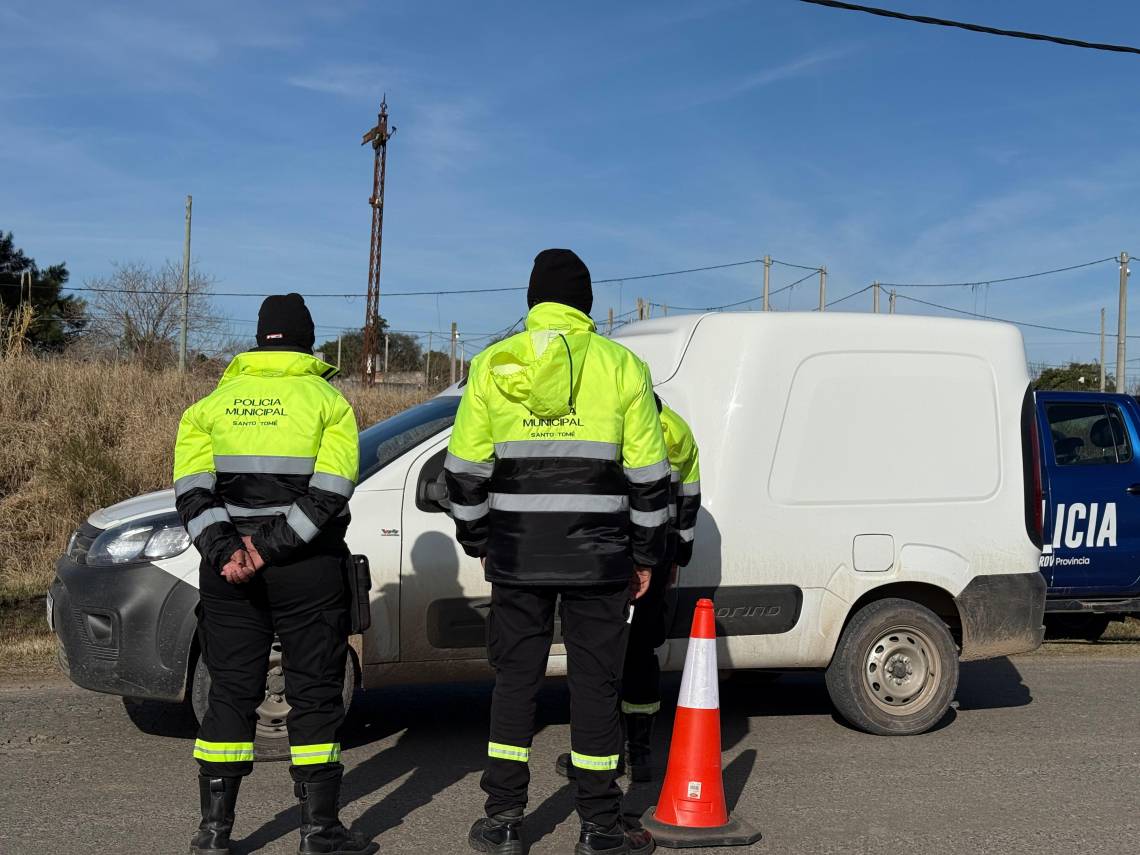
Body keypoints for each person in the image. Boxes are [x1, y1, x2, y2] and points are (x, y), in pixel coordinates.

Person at [445, 249, 672, 855]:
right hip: (599, 562)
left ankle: (505, 821)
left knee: (514, 684)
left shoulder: (494, 364)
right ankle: (600, 827)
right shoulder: (623, 366)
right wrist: (646, 556)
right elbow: (651, 478)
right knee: (596, 687)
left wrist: (480, 539)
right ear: (586, 303)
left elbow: (463, 474)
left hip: (517, 558)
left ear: (532, 300)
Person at [174, 293, 372, 855]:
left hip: (227, 573)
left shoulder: (210, 407)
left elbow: (192, 492)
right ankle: (319, 833)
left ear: (260, 339)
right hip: (307, 568)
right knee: (313, 693)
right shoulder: (328, 403)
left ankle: (214, 834)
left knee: (231, 693)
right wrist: (269, 548)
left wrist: (227, 550)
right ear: (307, 340)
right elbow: (330, 491)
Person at [556, 391, 701, 783]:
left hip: (610, 550)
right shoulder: (678, 430)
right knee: (641, 651)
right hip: (657, 552)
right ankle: (641, 753)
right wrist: (676, 557)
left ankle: (604, 752)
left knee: (598, 655)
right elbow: (688, 501)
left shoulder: (613, 419)